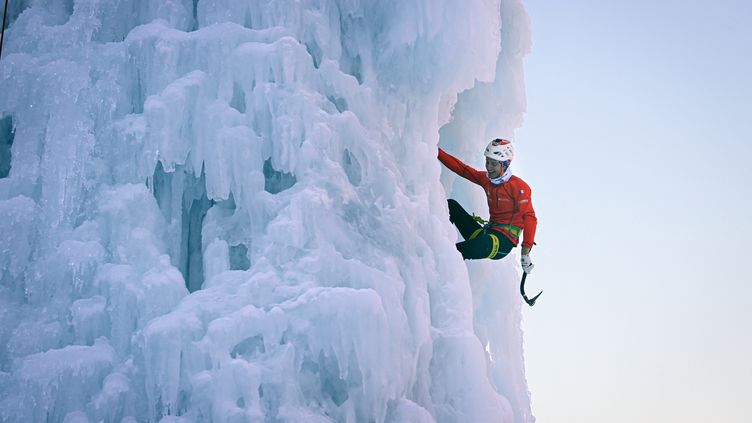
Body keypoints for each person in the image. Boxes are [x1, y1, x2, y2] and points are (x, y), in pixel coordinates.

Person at [438, 138, 537, 273]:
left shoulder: (519, 187)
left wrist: (525, 251)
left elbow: (530, 217)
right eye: (487, 162)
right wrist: (435, 151)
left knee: (457, 251)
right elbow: (463, 170)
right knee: (451, 206)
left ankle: (437, 265)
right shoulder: (487, 180)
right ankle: (435, 237)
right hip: (484, 234)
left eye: (493, 164)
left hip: (501, 243)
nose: (489, 167)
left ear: (505, 164)